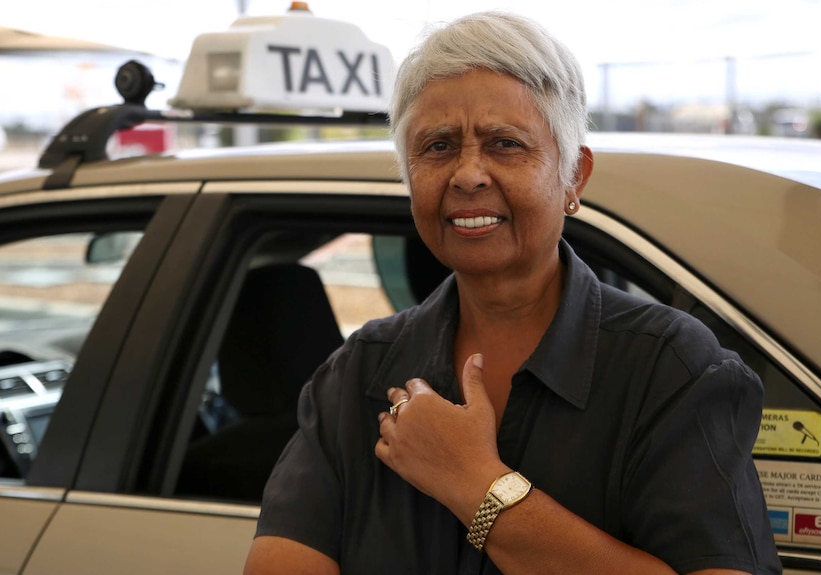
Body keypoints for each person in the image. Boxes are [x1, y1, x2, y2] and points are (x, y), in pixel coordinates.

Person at [244, 11, 782, 575]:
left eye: (505, 143)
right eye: (437, 146)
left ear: (574, 176)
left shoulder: (670, 369)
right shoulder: (357, 378)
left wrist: (478, 485)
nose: (468, 174)